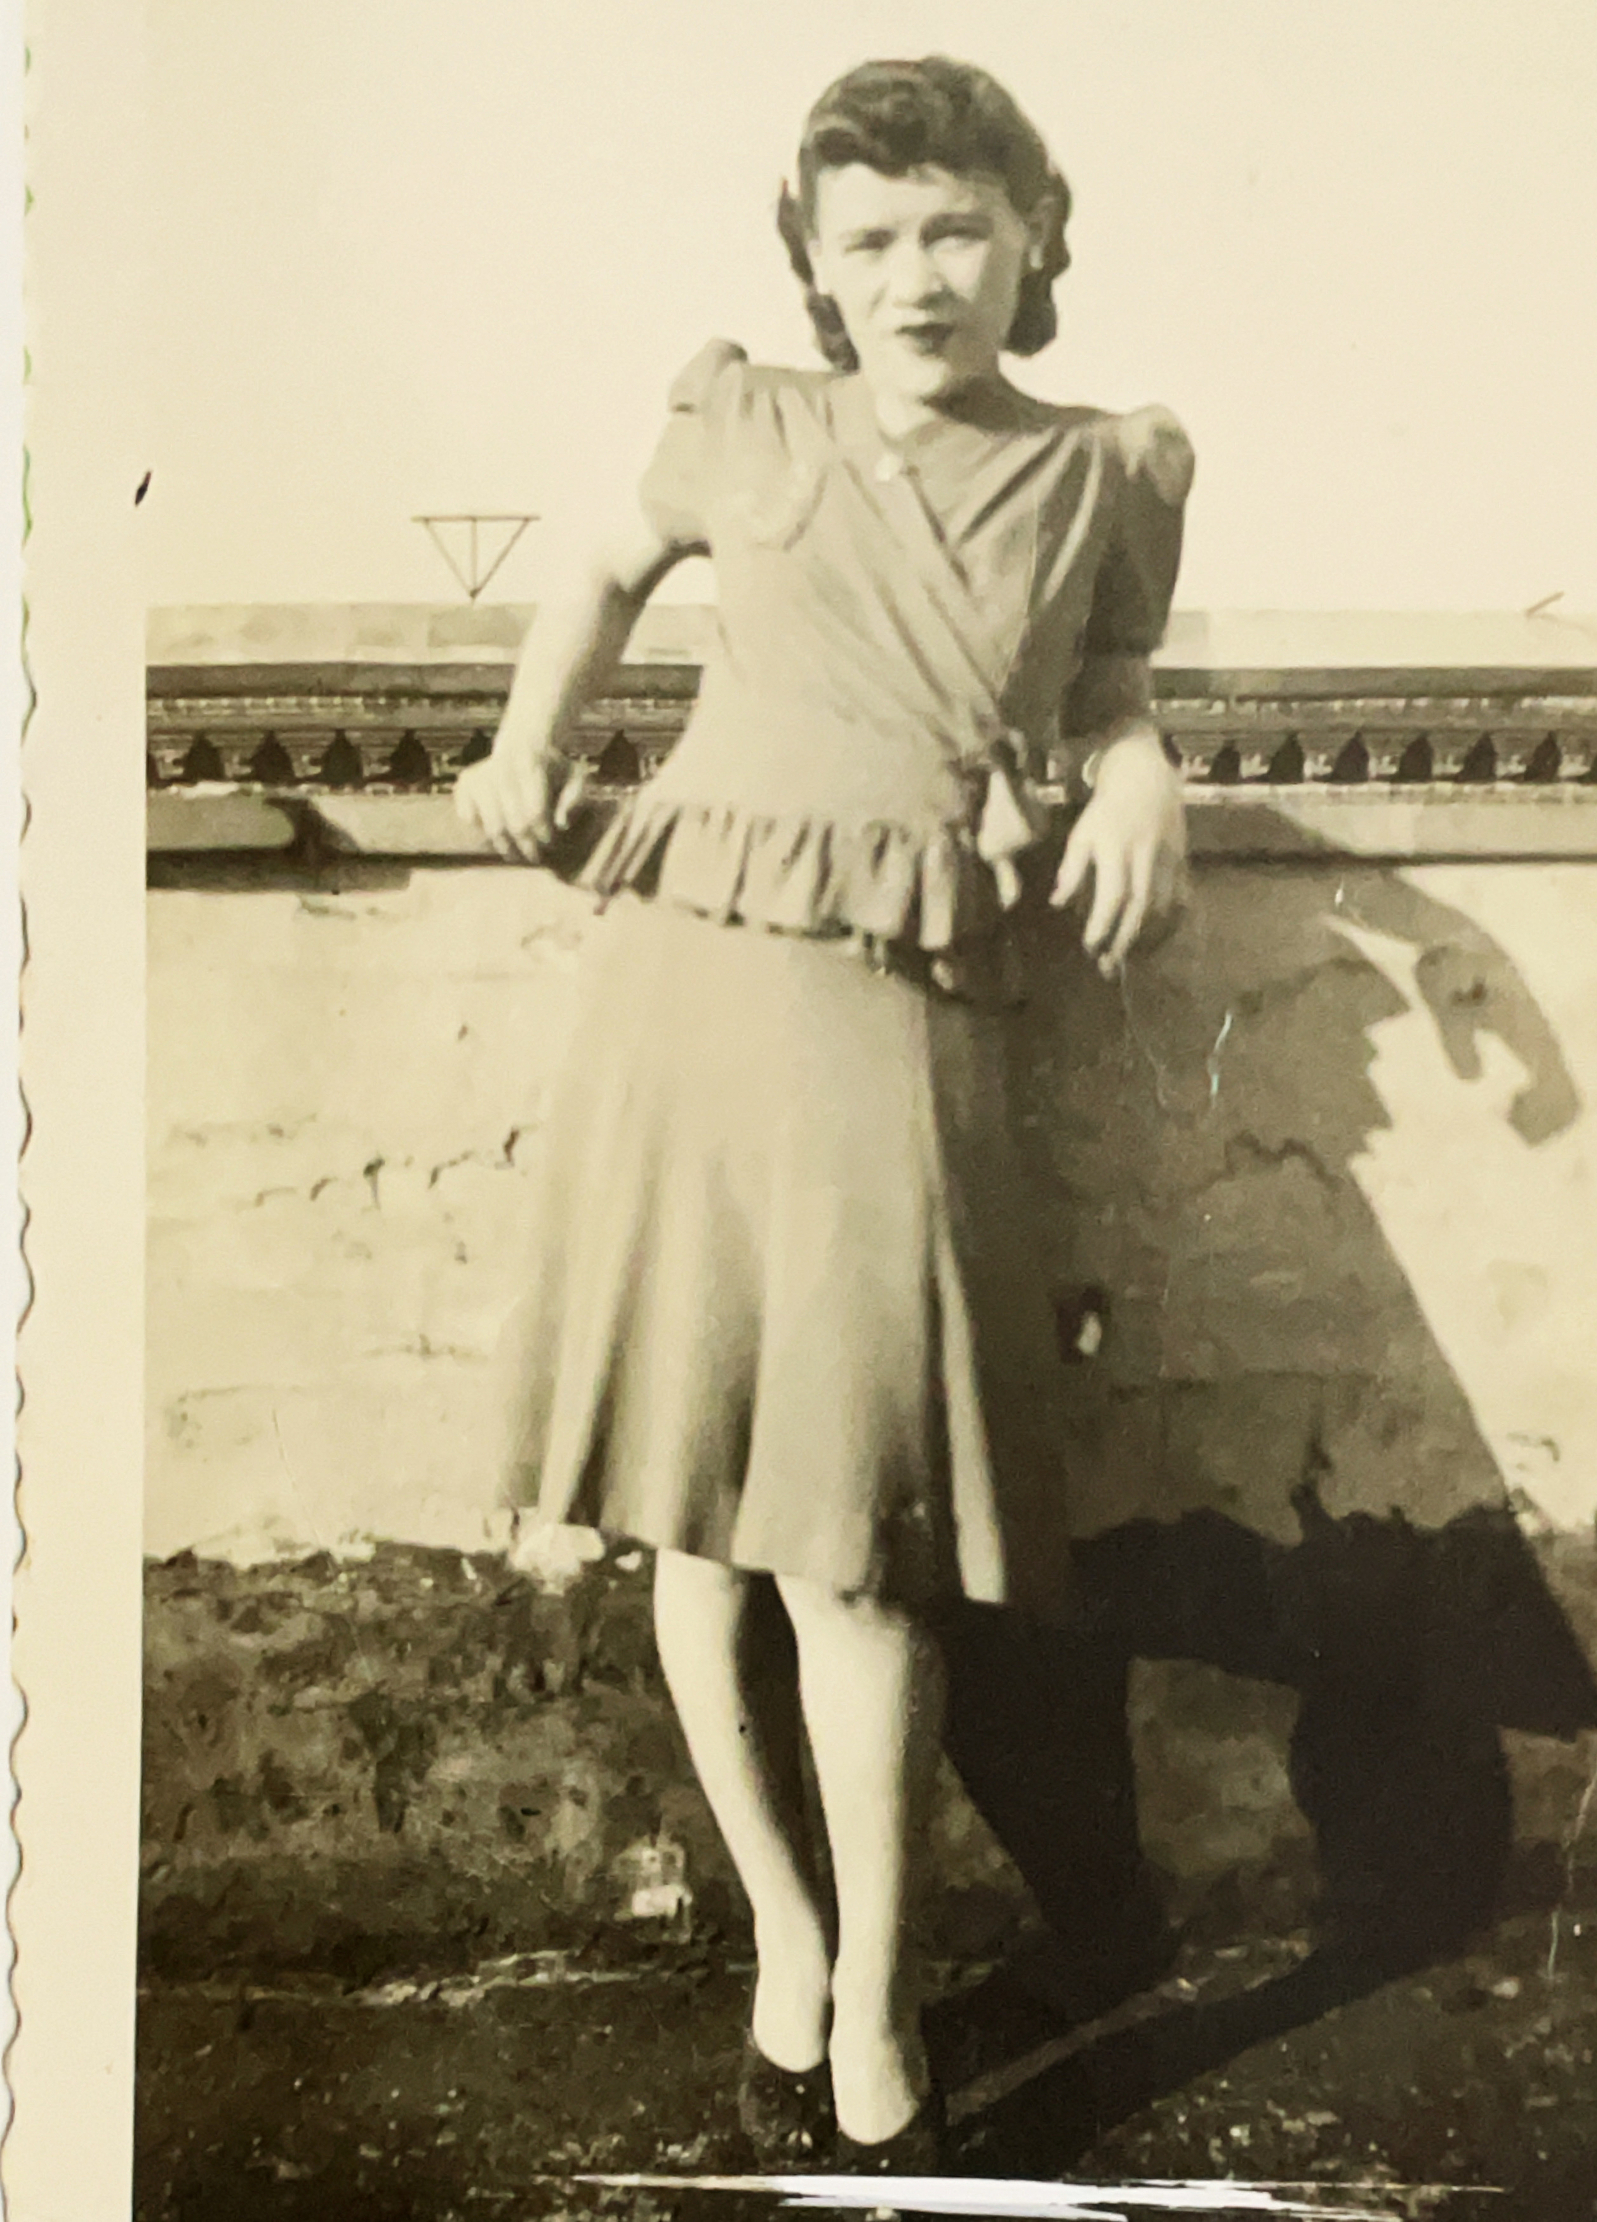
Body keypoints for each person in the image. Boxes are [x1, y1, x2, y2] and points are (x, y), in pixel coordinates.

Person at [456, 55, 1194, 2173]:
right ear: (812, 261)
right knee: (695, 1517)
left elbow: (1111, 687)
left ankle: (878, 1992)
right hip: (690, 978)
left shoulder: (1102, 469)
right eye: (865, 237)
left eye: (959, 226)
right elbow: (595, 571)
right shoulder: (749, 423)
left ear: (1036, 237)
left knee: (859, 1547)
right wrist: (531, 746)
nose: (916, 273)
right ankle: (785, 1936)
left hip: (897, 1005)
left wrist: (1139, 773)